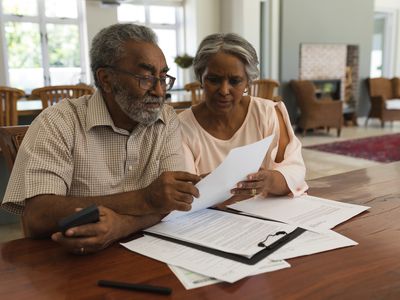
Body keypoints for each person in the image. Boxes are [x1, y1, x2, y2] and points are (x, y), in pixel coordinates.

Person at [1, 23, 201, 254]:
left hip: (147, 251)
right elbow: (37, 217)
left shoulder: (166, 119)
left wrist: (123, 225)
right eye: (146, 77)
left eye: (163, 77)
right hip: (69, 263)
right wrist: (144, 199)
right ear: (106, 79)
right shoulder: (58, 122)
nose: (159, 91)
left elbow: (172, 200)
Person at [179, 33, 308, 200]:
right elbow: (185, 192)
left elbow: (295, 172)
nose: (224, 90)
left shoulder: (267, 113)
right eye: (214, 80)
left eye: (235, 81)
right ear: (200, 79)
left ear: (248, 82)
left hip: (265, 216)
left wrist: (269, 181)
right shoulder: (182, 126)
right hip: (209, 220)